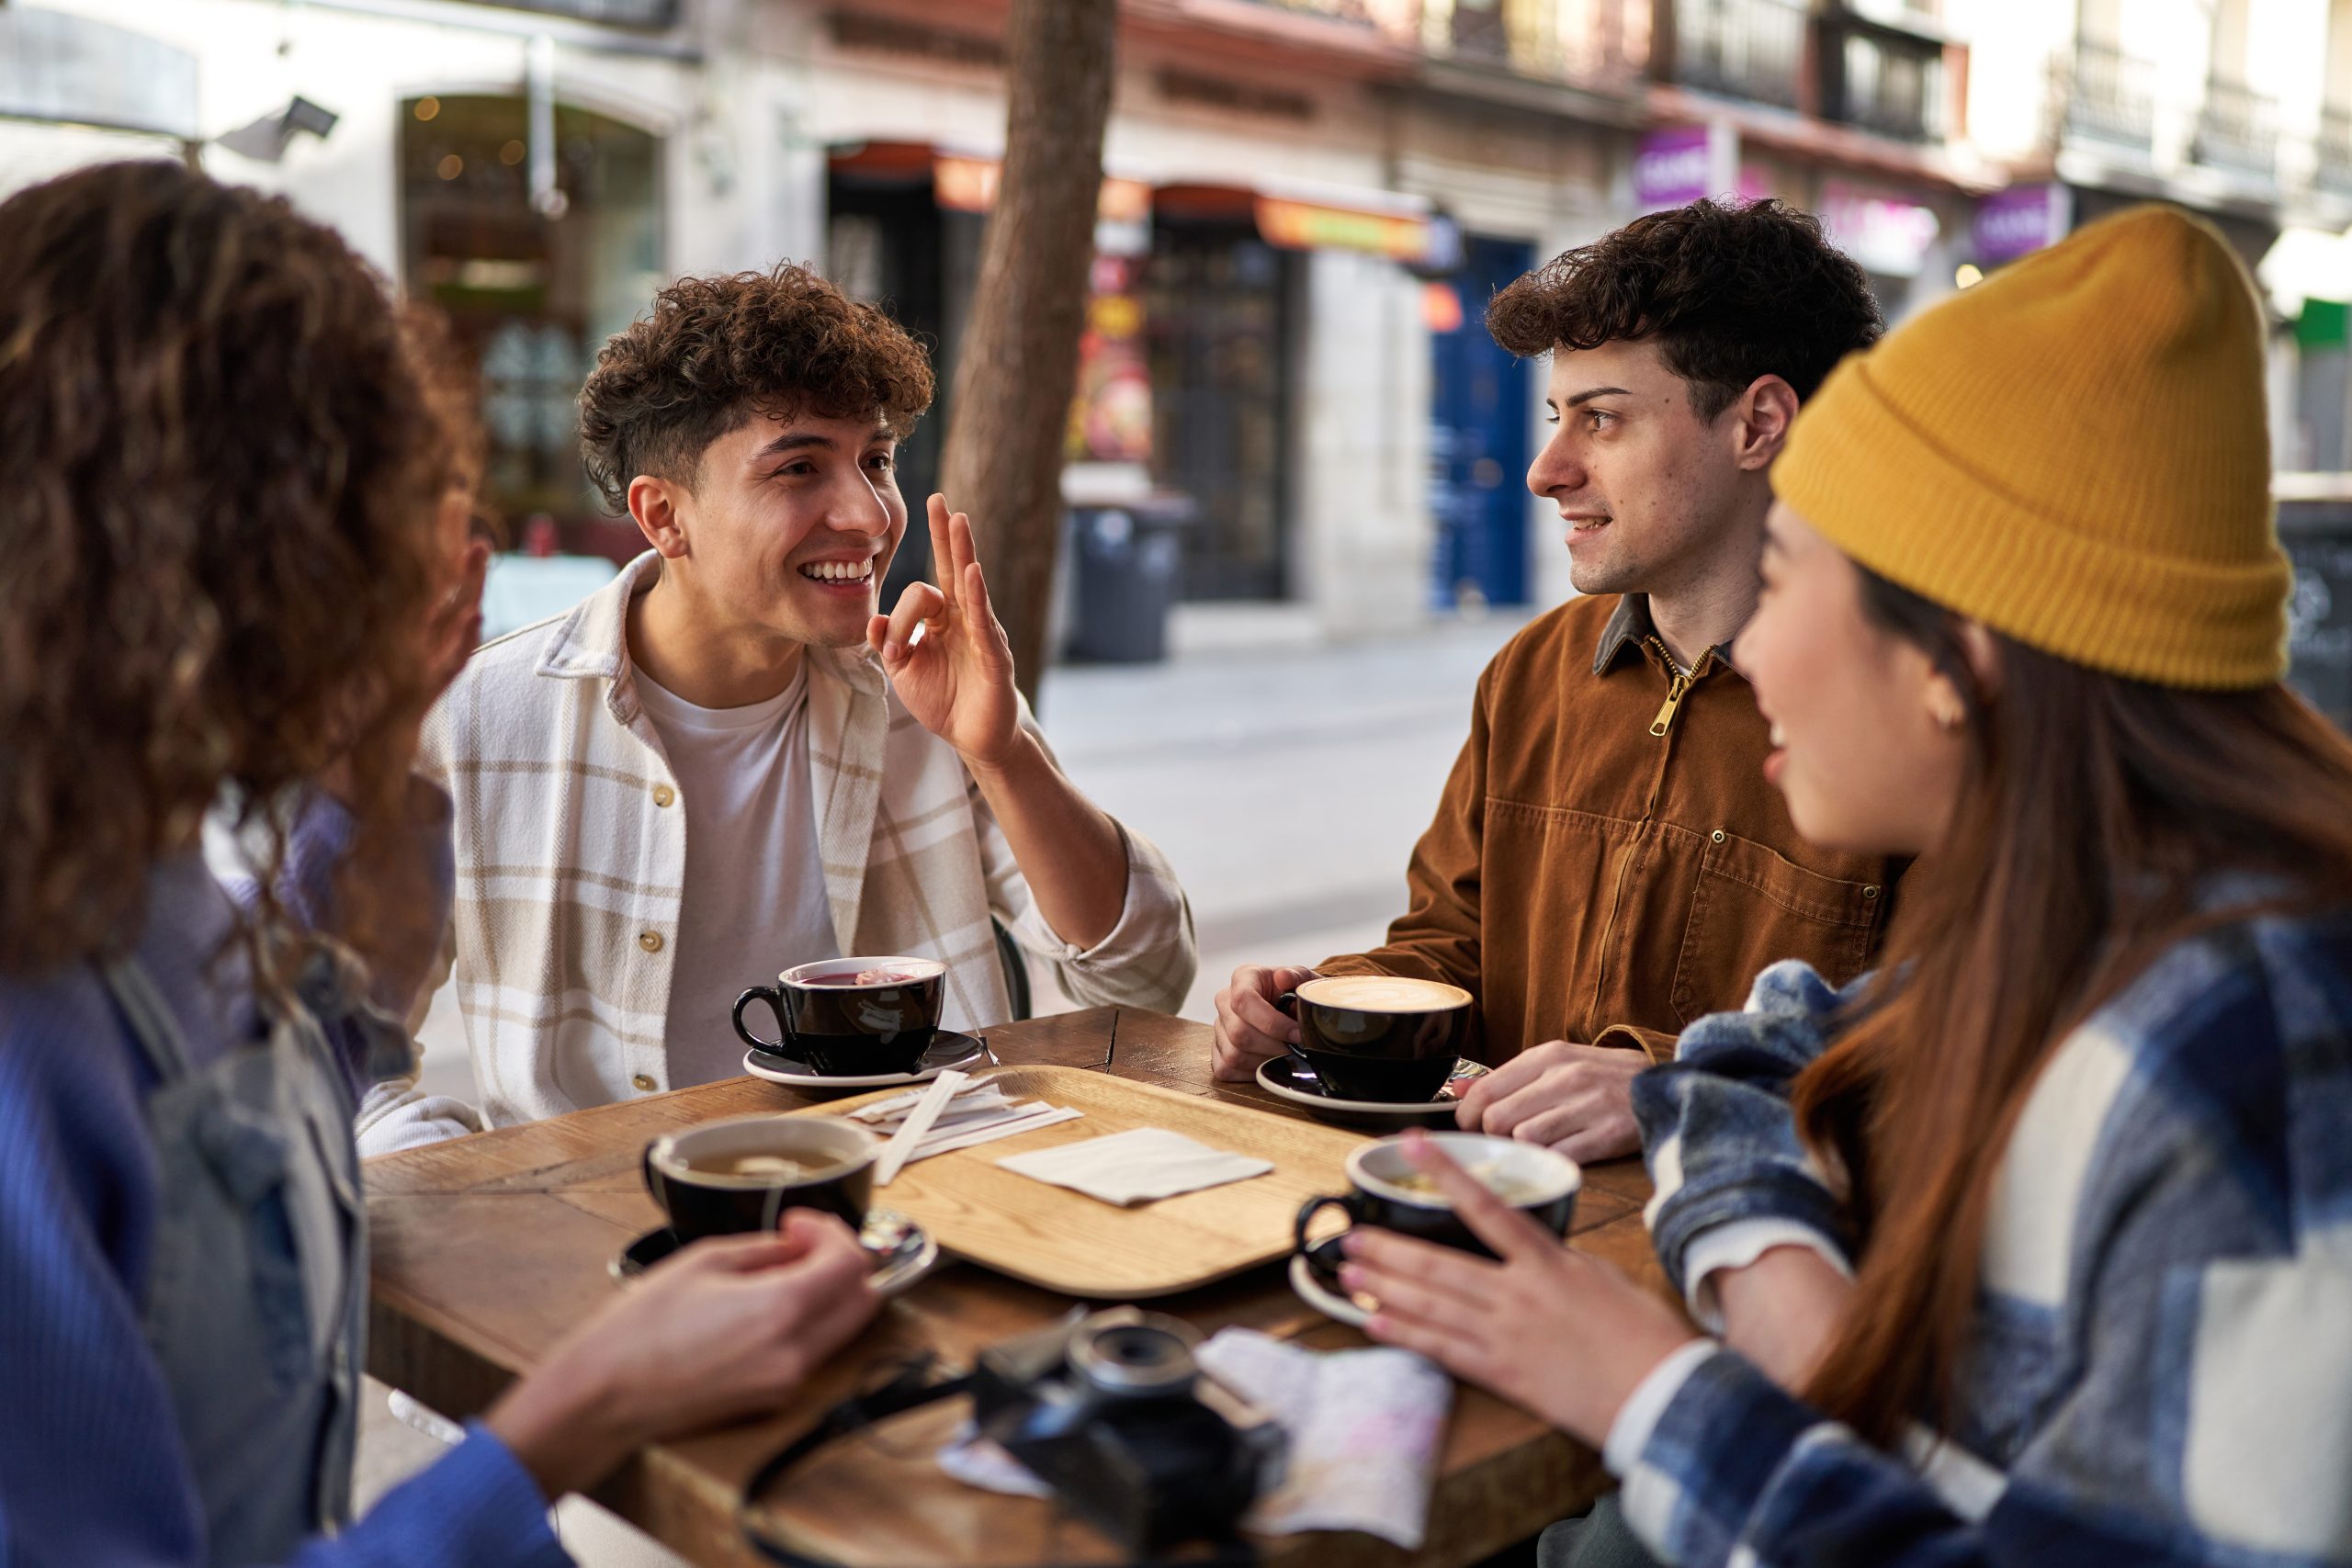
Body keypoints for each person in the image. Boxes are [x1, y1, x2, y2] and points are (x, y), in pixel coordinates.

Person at [1338, 206, 2352, 1566]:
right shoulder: (2081, 921)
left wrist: (1652, 1386)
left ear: (1958, 659)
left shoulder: (2232, 1052)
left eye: (1797, 573)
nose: (1764, 639)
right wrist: (1810, 1348)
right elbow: (1740, 1066)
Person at [0, 161, 882, 1565]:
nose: (433, 547)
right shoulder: (30, 1024)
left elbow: (285, 1068)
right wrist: (573, 1412)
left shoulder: (137, 858)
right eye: (372, 495)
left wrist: (370, 761)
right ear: (181, 546)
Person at [359, 265, 1194, 1152]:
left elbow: (1145, 982)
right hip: (606, 1254)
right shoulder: (480, 721)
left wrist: (1001, 751)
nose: (870, 514)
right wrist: (501, 1207)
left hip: (922, 1203)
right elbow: (343, 1057)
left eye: (876, 459)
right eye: (800, 467)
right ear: (664, 516)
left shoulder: (923, 696)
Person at [1213, 199, 1894, 1162]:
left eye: (1601, 421)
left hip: (1759, 1275)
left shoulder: (1913, 709)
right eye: (1554, 420)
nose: (1543, 471)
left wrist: (1679, 1089)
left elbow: (1948, 1048)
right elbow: (1449, 946)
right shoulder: (1533, 672)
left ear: (1759, 423)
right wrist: (1321, 1003)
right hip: (1503, 1225)